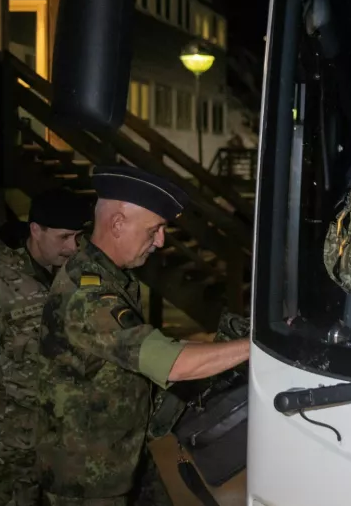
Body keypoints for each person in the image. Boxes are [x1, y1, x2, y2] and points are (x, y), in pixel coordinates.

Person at [36, 165, 250, 505]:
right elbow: (172, 363)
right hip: (88, 479)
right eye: (156, 228)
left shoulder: (110, 277)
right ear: (118, 223)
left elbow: (147, 346)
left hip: (123, 453)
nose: (162, 240)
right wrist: (256, 345)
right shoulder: (88, 296)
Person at [0, 188, 89, 506]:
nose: (72, 247)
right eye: (64, 237)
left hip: (66, 445)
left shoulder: (76, 276)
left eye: (78, 236)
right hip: (10, 452)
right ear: (35, 230)